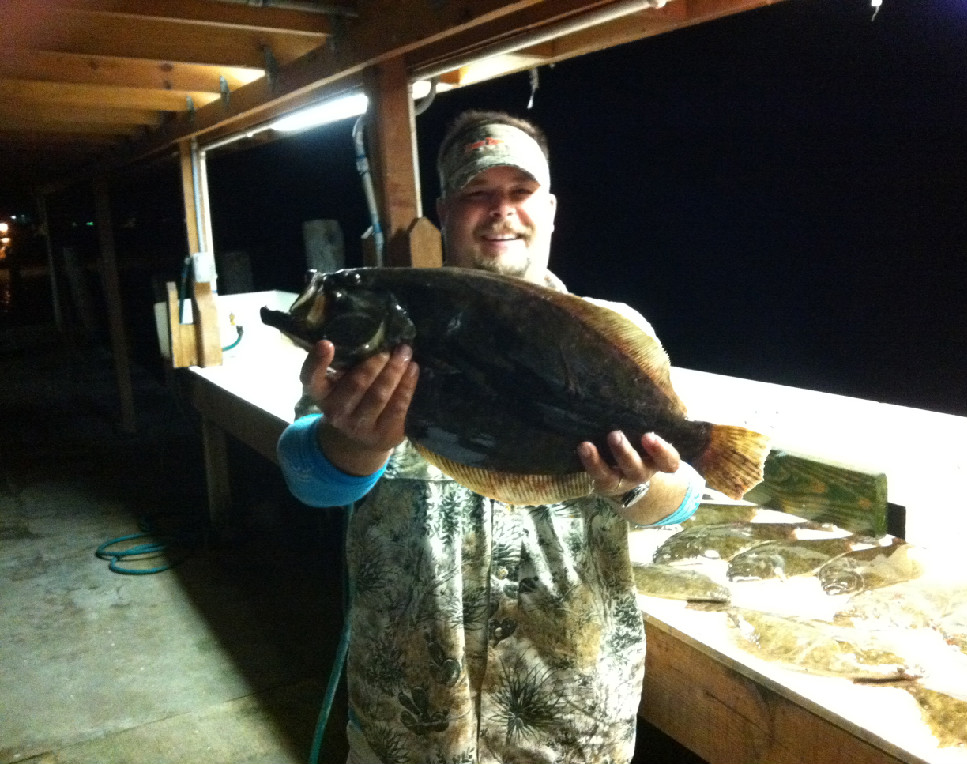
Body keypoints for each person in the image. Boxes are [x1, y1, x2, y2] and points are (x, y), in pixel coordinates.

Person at [277, 110, 705, 764]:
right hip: (411, 720)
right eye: (478, 194)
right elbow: (306, 477)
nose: (501, 211)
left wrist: (638, 482)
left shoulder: (616, 333)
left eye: (520, 192)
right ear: (444, 212)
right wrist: (358, 445)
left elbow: (683, 500)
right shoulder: (370, 343)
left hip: (571, 716)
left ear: (552, 210)